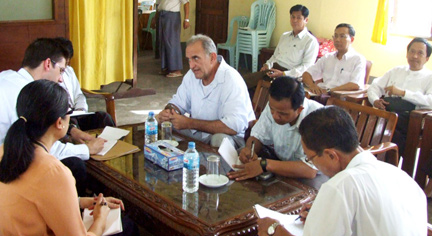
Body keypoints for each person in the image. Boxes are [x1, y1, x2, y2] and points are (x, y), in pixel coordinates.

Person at [257, 106, 427, 236]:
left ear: (332, 155)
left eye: (311, 158)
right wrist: (324, 217)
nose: (312, 163)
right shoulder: (402, 177)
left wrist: (274, 229)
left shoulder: (340, 185)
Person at [0, 80, 125, 236]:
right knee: (127, 228)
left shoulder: (7, 150)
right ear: (60, 123)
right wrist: (100, 218)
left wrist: (77, 201)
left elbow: (29, 200)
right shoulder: (54, 172)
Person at [0, 38, 105, 195]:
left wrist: (71, 130)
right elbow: (42, 149)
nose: (61, 79)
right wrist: (86, 149)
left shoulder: (7, 76)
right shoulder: (29, 95)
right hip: (8, 167)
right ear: (48, 64)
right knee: (74, 166)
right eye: (61, 70)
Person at [157, 34, 255, 148]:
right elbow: (178, 102)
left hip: (229, 138)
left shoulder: (231, 79)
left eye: (196, 58)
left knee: (219, 140)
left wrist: (189, 123)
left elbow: (234, 126)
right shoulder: (192, 75)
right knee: (163, 124)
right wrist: (169, 112)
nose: (191, 66)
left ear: (212, 57)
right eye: (189, 60)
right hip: (198, 133)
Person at [227, 77, 322, 181]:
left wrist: (264, 164)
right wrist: (249, 150)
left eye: (282, 113)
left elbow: (310, 170)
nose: (275, 116)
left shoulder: (318, 118)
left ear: (299, 109)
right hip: (279, 168)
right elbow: (257, 136)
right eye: (272, 110)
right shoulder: (275, 106)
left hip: (313, 178)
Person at [367, 37, 432, 157]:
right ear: (407, 54)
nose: (415, 56)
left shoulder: (429, 77)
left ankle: (386, 161)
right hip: (385, 111)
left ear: (427, 58)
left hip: (409, 117)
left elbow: (430, 101)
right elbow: (374, 86)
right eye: (412, 51)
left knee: (388, 128)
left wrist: (403, 93)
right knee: (365, 120)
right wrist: (375, 100)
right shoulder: (396, 71)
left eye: (420, 53)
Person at [243, 4, 319, 98]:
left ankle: (258, 108)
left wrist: (283, 74)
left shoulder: (310, 41)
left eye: (299, 18)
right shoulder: (285, 36)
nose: (295, 20)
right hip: (273, 70)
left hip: (290, 75)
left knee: (264, 89)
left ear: (306, 20)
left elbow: (306, 67)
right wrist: (267, 65)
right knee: (243, 81)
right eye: (292, 17)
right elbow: (275, 56)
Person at [55, 37, 116, 131]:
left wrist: (80, 109)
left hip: (76, 113)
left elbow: (78, 95)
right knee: (74, 124)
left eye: (67, 62)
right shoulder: (49, 74)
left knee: (104, 118)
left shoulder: (69, 71)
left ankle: (117, 145)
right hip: (62, 118)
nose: (66, 65)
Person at [302, 23, 366, 102]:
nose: (337, 39)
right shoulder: (328, 57)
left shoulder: (358, 59)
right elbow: (306, 74)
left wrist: (330, 90)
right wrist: (313, 86)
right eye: (335, 36)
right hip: (321, 94)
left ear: (352, 39)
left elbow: (355, 85)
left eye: (342, 36)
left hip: (339, 98)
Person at [157, 0, 190, 78]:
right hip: (162, 15)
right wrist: (155, 18)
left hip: (172, 16)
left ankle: (176, 70)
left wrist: (186, 19)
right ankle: (167, 67)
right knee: (164, 42)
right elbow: (158, 4)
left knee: (172, 42)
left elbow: (186, 3)